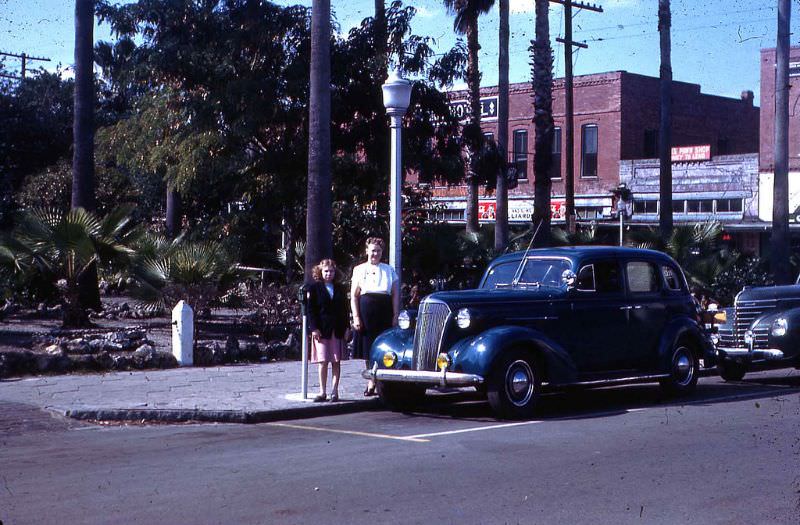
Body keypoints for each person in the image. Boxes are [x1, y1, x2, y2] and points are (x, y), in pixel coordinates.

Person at [350, 237, 400, 396]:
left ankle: (381, 382)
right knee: (368, 348)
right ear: (366, 251)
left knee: (384, 347)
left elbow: (395, 295)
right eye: (372, 250)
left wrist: (395, 314)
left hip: (384, 311)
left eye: (378, 251)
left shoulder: (389, 269)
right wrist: (356, 317)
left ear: (381, 252)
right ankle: (371, 381)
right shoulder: (358, 269)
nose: (375, 254)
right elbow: (354, 296)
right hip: (366, 312)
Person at [307, 259, 349, 402]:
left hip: (337, 329)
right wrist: (314, 328)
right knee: (323, 361)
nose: (328, 274)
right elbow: (311, 310)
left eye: (331, 271)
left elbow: (345, 310)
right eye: (326, 271)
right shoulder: (314, 288)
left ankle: (334, 391)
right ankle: (322, 392)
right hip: (321, 330)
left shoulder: (341, 288)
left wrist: (347, 328)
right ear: (320, 271)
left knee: (336, 362)